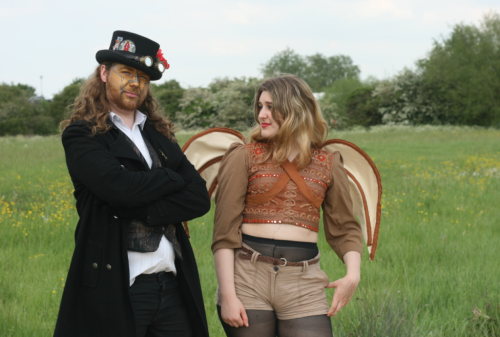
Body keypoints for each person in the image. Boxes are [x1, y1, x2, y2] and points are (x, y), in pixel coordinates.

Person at [54, 31, 210, 337]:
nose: (135, 83)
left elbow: (199, 198)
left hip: (171, 284)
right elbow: (118, 187)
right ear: (104, 73)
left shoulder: (158, 134)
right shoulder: (82, 135)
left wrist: (146, 209)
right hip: (118, 285)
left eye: (142, 77)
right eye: (126, 72)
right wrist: (171, 177)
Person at [212, 75, 363, 336]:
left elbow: (345, 227)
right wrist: (228, 295)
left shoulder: (329, 162)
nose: (262, 114)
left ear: (295, 109)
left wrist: (352, 274)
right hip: (247, 278)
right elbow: (225, 232)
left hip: (303, 282)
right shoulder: (243, 156)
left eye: (271, 106)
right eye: (260, 106)